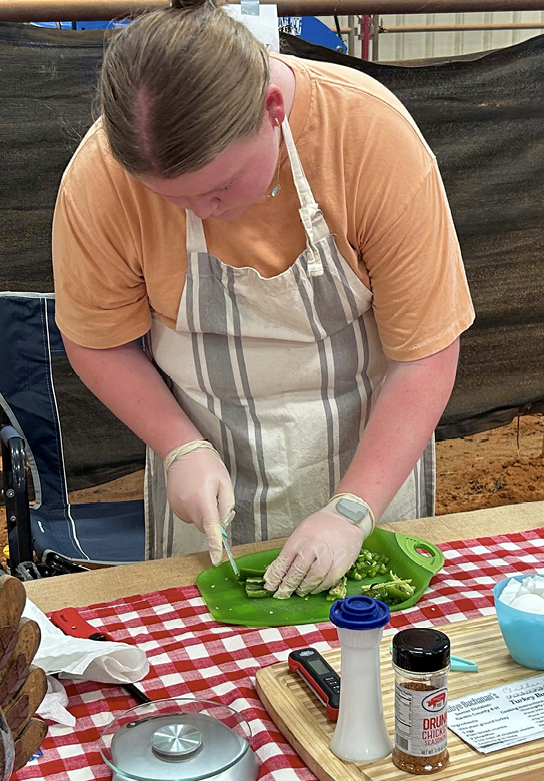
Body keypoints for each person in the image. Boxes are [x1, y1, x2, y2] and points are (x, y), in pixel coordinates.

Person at [52, 0, 474, 597]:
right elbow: (97, 341)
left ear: (273, 110)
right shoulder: (101, 177)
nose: (203, 213)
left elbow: (425, 350)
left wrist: (353, 510)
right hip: (207, 453)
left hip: (367, 446)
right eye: (175, 200)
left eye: (220, 187)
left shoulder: (369, 134)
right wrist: (178, 446)